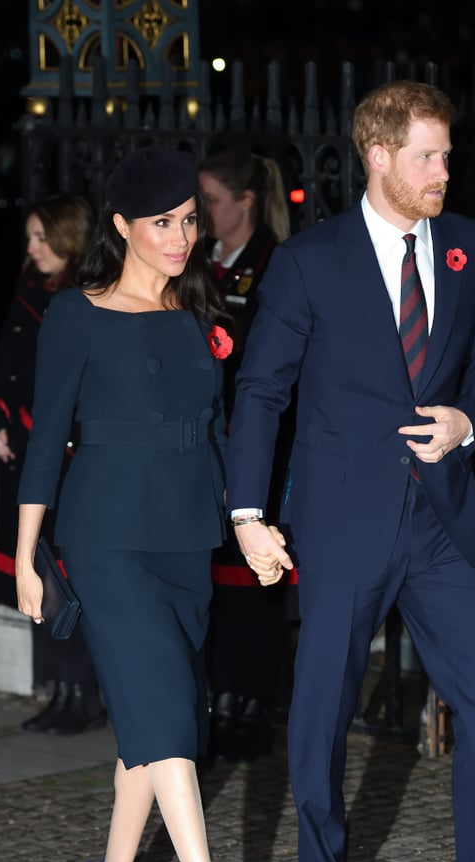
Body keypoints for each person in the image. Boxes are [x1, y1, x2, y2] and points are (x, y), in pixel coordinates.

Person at [225, 80, 475, 862]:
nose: (443, 171)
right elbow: (262, 391)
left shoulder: (470, 247)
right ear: (378, 155)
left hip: (442, 519)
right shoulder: (311, 261)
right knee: (322, 710)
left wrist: (467, 417)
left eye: (448, 155)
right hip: (344, 518)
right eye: (427, 155)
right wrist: (245, 512)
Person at [14, 145, 271, 862]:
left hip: (182, 537)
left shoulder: (201, 307)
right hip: (105, 539)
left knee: (151, 728)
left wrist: (250, 526)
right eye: (162, 222)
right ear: (121, 226)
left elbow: (227, 427)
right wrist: (25, 552)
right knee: (171, 720)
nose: (179, 235)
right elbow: (46, 438)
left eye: (189, 219)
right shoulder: (76, 315)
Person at [0, 193, 106, 734]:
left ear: (70, 238)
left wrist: (37, 428)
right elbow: (6, 367)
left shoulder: (90, 298)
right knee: (32, 577)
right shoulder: (29, 293)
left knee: (69, 583)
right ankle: (59, 688)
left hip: (69, 462)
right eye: (29, 238)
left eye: (41, 237)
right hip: (28, 459)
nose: (32, 248)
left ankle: (83, 692)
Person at [198, 148, 296, 760]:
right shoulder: (206, 259)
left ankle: (254, 704)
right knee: (218, 587)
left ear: (245, 202)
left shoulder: (273, 263)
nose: (203, 212)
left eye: (210, 200)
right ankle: (223, 698)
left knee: (253, 584)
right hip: (210, 435)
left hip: (253, 435)